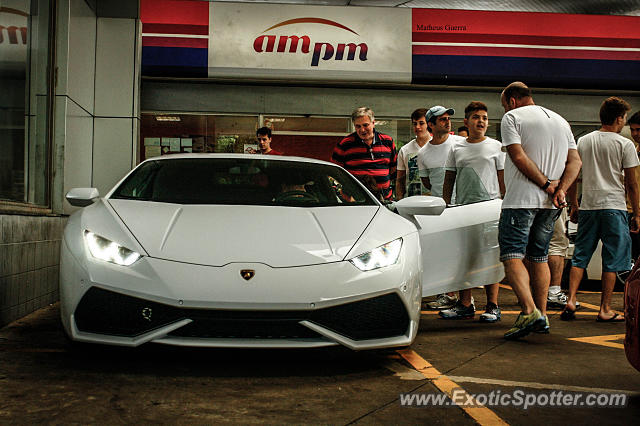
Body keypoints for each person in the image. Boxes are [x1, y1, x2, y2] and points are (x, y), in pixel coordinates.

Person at [499, 81, 581, 339]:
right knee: (539, 256)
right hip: (551, 204)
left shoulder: (512, 117)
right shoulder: (561, 121)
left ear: (511, 101)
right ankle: (542, 315)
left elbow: (518, 156)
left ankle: (529, 310)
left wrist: (546, 185)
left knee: (512, 254)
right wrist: (560, 190)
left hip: (521, 201)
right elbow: (575, 160)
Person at [562, 97, 639, 322]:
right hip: (614, 207)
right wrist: (636, 213)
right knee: (613, 260)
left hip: (589, 206)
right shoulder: (624, 144)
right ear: (618, 118)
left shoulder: (583, 141)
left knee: (580, 256)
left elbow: (574, 176)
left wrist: (574, 204)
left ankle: (571, 299)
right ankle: (604, 309)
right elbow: (632, 184)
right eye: (624, 118)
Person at [439, 101, 505, 322]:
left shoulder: (496, 146)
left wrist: (505, 204)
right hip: (463, 211)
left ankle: (493, 305)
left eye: (485, 118)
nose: (481, 121)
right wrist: (445, 205)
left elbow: (503, 179)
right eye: (476, 117)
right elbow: (449, 177)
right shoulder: (456, 147)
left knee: (490, 256)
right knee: (464, 256)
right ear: (466, 122)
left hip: (490, 210)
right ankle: (465, 304)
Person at [418, 105, 466, 310]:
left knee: (462, 253)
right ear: (431, 125)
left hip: (463, 205)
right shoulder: (423, 153)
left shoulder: (460, 143)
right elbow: (427, 183)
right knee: (443, 253)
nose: (447, 121)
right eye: (442, 119)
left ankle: (464, 297)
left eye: (448, 118)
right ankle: (446, 294)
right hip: (440, 210)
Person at [332, 107, 397, 200]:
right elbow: (336, 171)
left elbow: (393, 168)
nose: (362, 130)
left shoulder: (388, 141)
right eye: (358, 126)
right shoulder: (345, 144)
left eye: (365, 125)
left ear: (373, 123)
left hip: (385, 200)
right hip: (356, 201)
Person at [396, 108, 432, 200]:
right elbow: (400, 180)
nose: (417, 127)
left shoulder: (437, 146)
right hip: (411, 201)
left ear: (429, 124)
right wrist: (399, 201)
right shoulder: (405, 150)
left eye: (421, 123)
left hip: (433, 201)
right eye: (415, 124)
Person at [627, 111, 640, 261]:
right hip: (631, 210)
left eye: (638, 130)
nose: (635, 134)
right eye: (632, 130)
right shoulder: (633, 151)